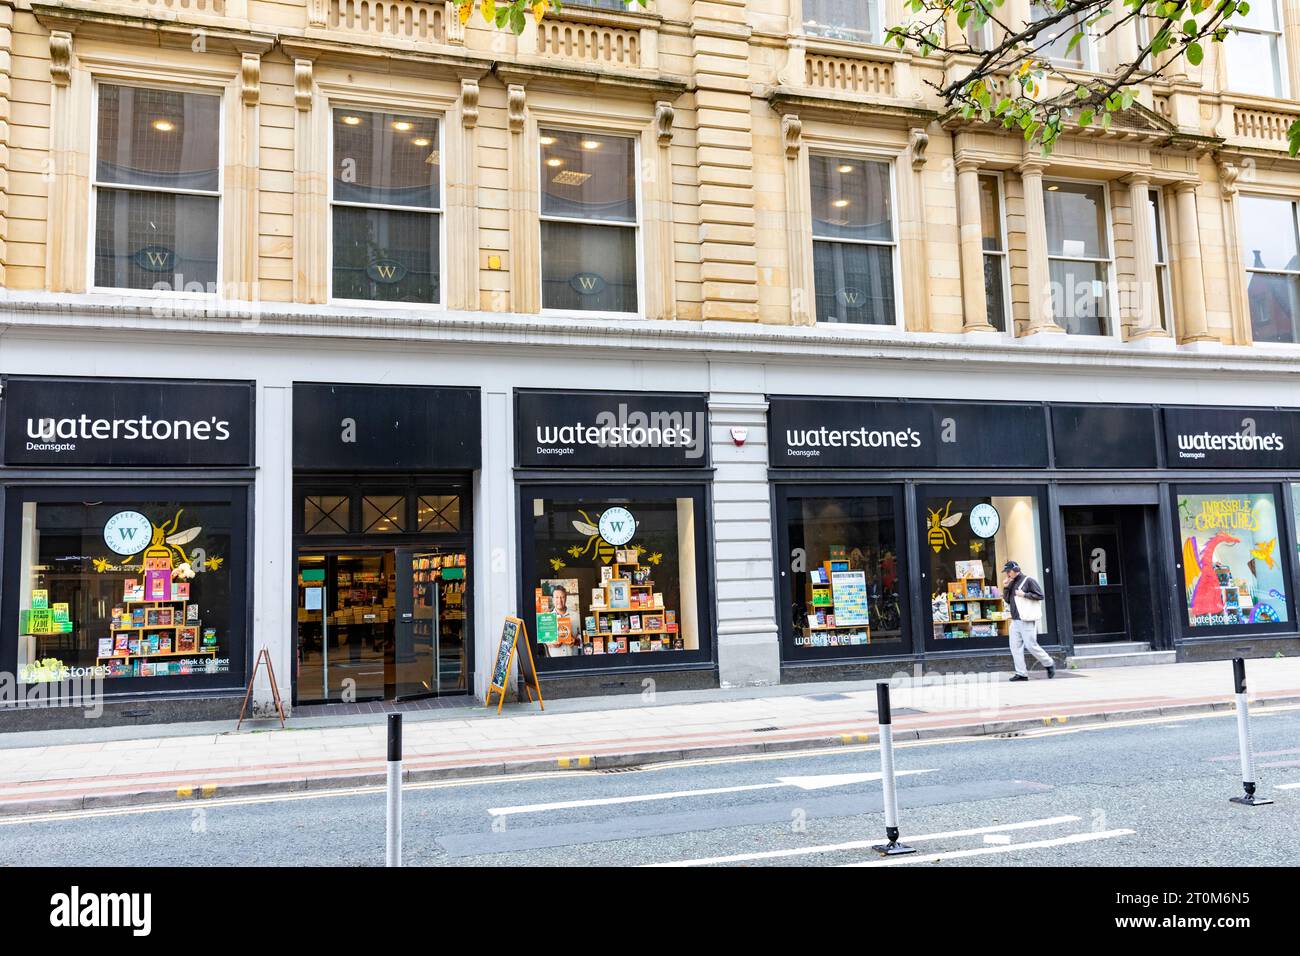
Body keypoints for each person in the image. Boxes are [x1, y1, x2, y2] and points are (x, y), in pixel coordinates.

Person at [1001, 560, 1055, 681]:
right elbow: (1007, 600)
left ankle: (1049, 663)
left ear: (1015, 570)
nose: (1007, 574)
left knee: (1031, 646)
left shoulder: (1028, 580)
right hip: (1015, 620)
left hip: (1026, 619)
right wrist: (1006, 587)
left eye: (1008, 572)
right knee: (1014, 647)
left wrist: (1024, 595)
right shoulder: (1011, 582)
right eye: (1007, 572)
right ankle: (1021, 673)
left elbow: (1040, 595)